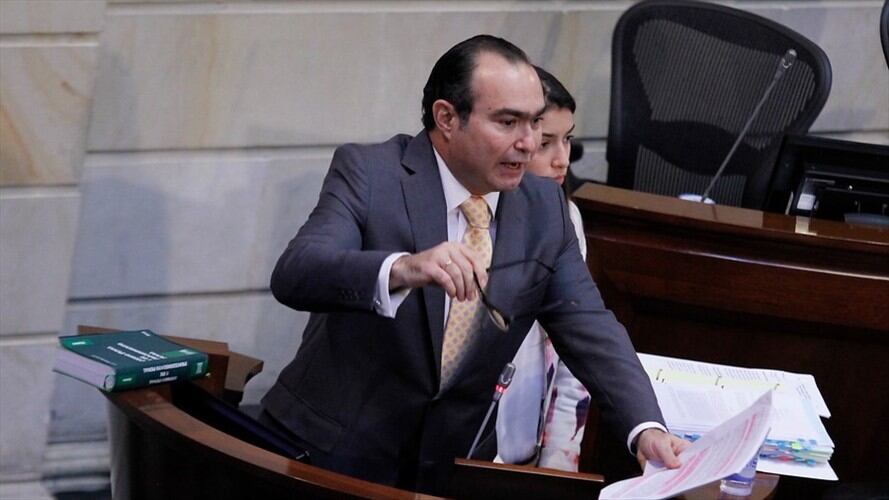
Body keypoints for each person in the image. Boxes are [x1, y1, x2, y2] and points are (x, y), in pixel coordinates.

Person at [260, 34, 687, 495]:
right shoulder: (371, 173)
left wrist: (646, 428)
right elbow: (297, 272)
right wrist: (402, 269)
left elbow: (591, 327)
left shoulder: (545, 207)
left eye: (535, 123)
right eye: (508, 122)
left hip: (450, 469)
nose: (528, 143)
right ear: (447, 118)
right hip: (332, 458)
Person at [495, 66, 591, 471]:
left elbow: (576, 355)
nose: (562, 160)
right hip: (464, 452)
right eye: (546, 142)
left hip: (524, 455)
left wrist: (557, 466)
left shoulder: (566, 217)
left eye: (567, 140)